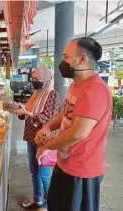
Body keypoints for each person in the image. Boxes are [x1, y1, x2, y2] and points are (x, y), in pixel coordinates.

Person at [35, 37, 112, 211]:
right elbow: (65, 113)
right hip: (65, 163)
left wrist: (47, 146)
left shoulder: (95, 90)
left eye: (66, 56)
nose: (63, 62)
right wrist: (48, 127)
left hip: (83, 170)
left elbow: (79, 133)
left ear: (82, 59)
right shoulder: (76, 85)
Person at [13, 66, 60, 210]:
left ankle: (49, 204)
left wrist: (28, 114)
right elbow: (27, 112)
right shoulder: (35, 93)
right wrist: (19, 111)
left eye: (37, 78)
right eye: (33, 77)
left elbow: (47, 117)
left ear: (46, 79)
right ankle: (37, 199)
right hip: (30, 137)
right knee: (34, 171)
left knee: (44, 174)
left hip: (43, 140)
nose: (34, 80)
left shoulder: (52, 95)